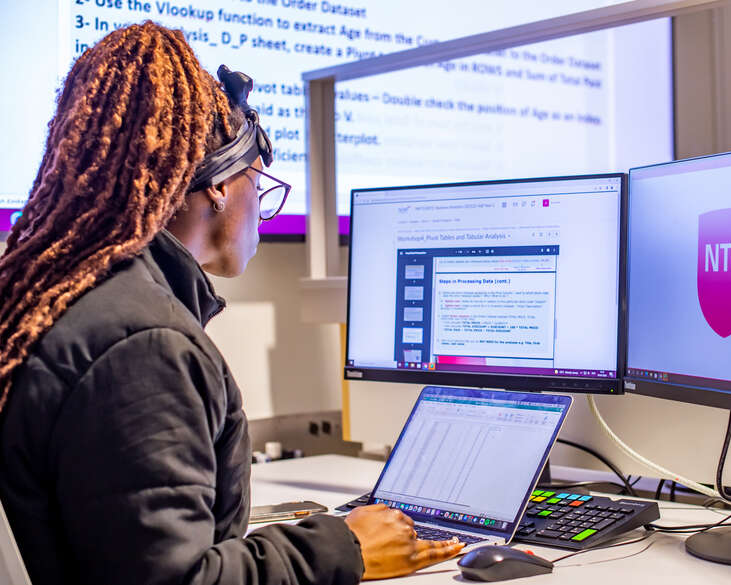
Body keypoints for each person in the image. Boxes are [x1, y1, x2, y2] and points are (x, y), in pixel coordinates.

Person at [0, 21, 463, 585]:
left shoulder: (75, 297)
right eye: (260, 185)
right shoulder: (145, 345)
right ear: (219, 187)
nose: (260, 214)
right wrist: (342, 546)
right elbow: (173, 580)